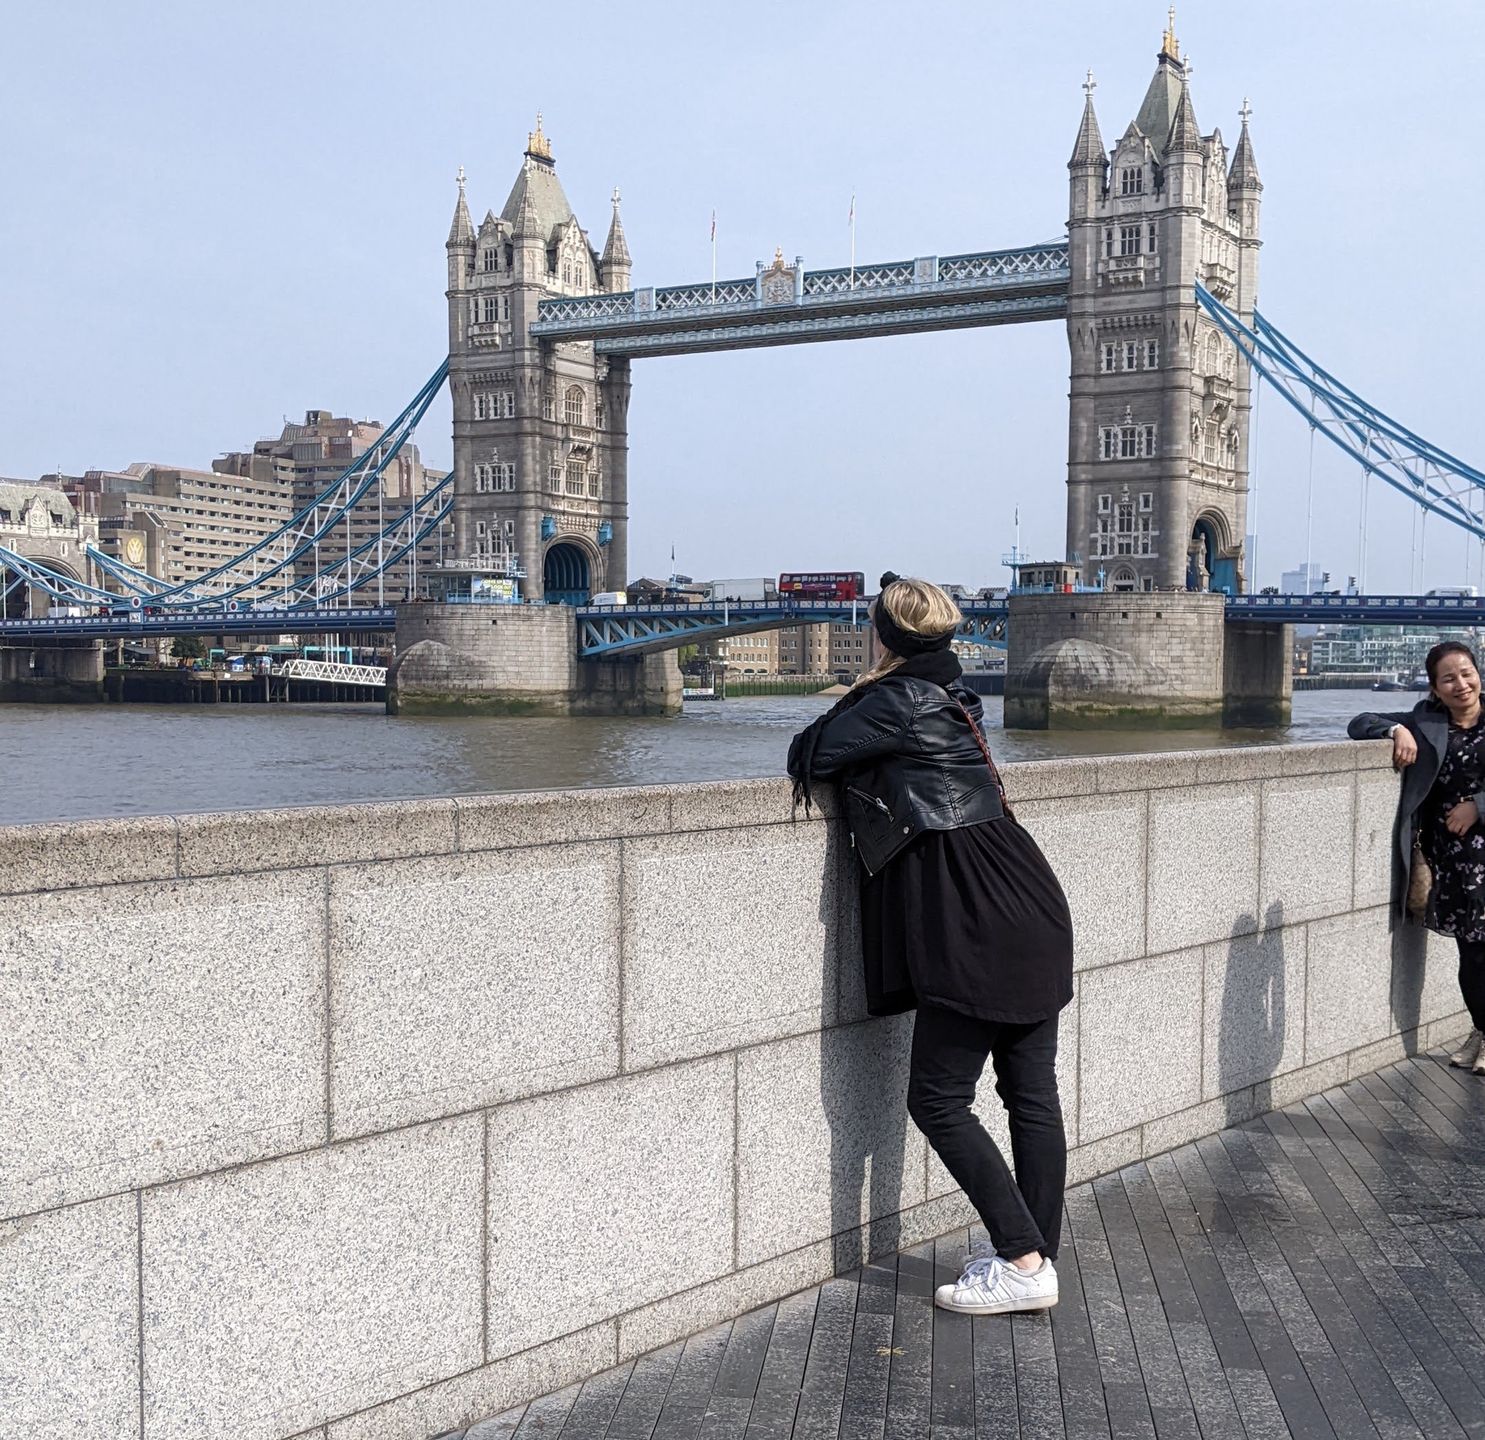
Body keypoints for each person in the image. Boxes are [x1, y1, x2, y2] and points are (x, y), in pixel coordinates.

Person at [788, 573, 1074, 1315]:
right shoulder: (956, 697)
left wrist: (856, 691)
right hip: (1026, 893)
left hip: (970, 910)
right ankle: (1034, 1255)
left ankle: (1019, 1258)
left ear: (884, 636)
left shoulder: (893, 699)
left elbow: (810, 754)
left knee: (939, 1098)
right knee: (1030, 1096)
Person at [1348, 640, 1485, 1074]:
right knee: (1472, 954)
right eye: (1449, 678)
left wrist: (1479, 805)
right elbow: (1358, 722)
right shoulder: (1425, 722)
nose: (1461, 684)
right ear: (1434, 688)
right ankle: (1482, 1031)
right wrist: (1395, 731)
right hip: (1455, 861)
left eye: (1467, 673)